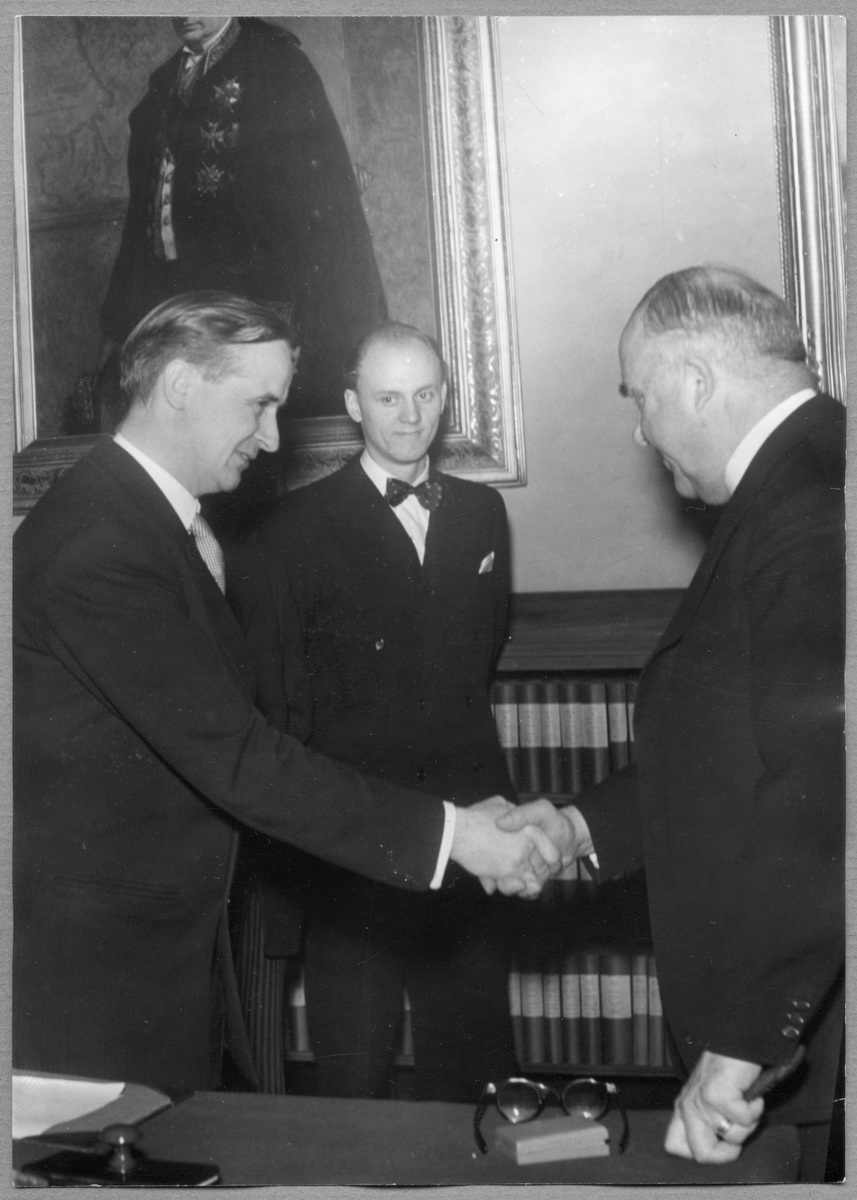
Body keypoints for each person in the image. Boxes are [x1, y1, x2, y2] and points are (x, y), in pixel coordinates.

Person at [13, 292, 563, 1095]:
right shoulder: (103, 545)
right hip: (106, 962)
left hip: (158, 936)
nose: (273, 438)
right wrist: (455, 837)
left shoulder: (146, 523)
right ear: (180, 385)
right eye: (259, 405)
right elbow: (240, 754)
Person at [499, 267, 845, 1181]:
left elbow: (827, 791)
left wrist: (739, 1047)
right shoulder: (796, 480)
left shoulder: (808, 503)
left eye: (639, 397)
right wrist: (580, 826)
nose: (639, 431)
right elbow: (735, 748)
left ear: (694, 381)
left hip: (797, 1035)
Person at [231, 322, 519, 1101]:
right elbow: (281, 699)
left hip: (469, 827)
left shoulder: (481, 513)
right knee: (353, 1075)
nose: (409, 416)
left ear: (444, 398)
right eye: (388, 398)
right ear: (354, 404)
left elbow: (480, 656)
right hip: (354, 841)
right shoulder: (291, 528)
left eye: (424, 395)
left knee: (476, 1070)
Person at [99, 17, 386, 420]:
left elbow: (313, 204)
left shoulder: (275, 65)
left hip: (257, 299)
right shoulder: (164, 81)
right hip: (179, 299)